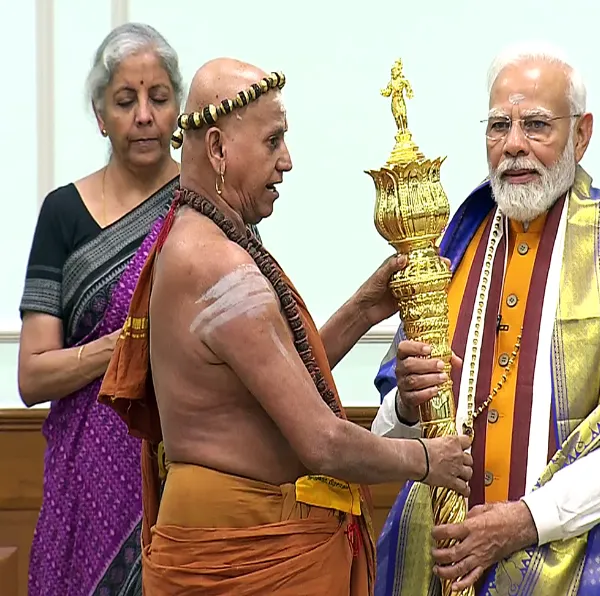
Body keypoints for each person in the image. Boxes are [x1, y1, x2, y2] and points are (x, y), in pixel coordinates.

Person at [97, 57, 473, 596]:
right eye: (273, 141)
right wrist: (425, 459)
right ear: (220, 150)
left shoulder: (198, 240)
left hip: (244, 542)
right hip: (244, 552)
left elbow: (271, 383)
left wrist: (365, 308)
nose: (287, 161)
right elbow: (320, 440)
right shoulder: (215, 266)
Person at [371, 42, 600, 596]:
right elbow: (388, 432)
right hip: (439, 560)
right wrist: (404, 403)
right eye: (499, 126)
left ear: (581, 135)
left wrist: (524, 521)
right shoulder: (449, 247)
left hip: (573, 564)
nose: (514, 146)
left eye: (537, 125)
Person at [17, 23, 183, 596]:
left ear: (179, 109)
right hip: (83, 483)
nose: (144, 116)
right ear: (100, 114)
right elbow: (33, 374)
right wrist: (115, 350)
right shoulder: (63, 214)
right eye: (125, 100)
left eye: (159, 98)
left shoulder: (198, 209)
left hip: (181, 471)